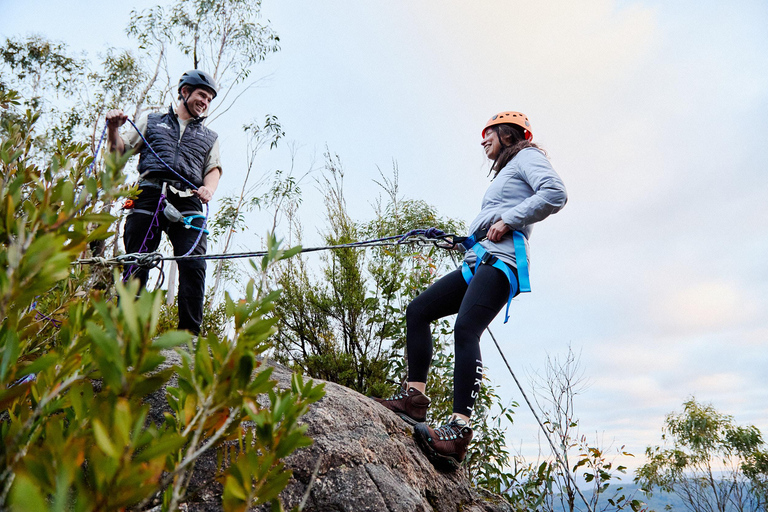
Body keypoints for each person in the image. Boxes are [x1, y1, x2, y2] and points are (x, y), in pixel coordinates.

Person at [374, 111, 567, 469]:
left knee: (466, 328)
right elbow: (497, 215)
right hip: (479, 257)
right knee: (418, 311)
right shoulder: (509, 169)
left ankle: (459, 430)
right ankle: (414, 399)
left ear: (509, 134)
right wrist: (468, 239)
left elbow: (555, 193)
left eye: (489, 133)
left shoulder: (528, 156)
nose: (483, 141)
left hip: (501, 260)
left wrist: (509, 220)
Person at [105, 69, 223, 335]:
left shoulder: (210, 137)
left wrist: (208, 189)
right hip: (149, 193)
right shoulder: (152, 120)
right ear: (185, 92)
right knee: (137, 261)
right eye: (201, 95)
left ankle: (189, 336)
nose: (205, 102)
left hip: (188, 201)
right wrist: (114, 129)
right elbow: (119, 154)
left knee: (194, 264)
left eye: (209, 99)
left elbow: (213, 169)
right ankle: (125, 331)